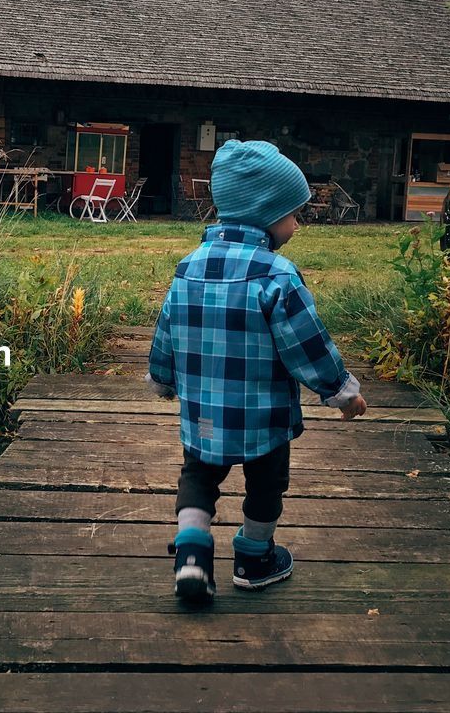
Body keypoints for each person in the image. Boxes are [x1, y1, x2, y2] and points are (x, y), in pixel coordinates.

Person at [147, 140, 368, 604]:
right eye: (293, 212)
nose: (298, 222)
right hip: (264, 420)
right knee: (266, 483)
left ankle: (191, 557)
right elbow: (307, 346)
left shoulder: (187, 269)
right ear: (265, 213)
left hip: (204, 416)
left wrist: (163, 378)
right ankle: (254, 557)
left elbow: (167, 329)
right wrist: (342, 392)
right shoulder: (278, 275)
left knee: (198, 477)